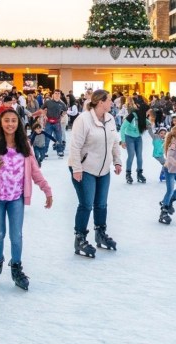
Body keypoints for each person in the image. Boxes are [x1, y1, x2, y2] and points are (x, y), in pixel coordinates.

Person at [0, 109, 53, 290]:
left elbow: (35, 171)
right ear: (1, 123)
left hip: (16, 198)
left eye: (14, 120)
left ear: (18, 123)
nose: (10, 124)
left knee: (16, 235)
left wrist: (46, 190)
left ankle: (16, 266)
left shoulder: (25, 144)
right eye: (7, 120)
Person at [68, 90, 122, 258]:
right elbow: (75, 146)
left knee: (101, 204)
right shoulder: (83, 120)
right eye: (110, 100)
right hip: (84, 169)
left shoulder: (110, 119)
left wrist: (117, 160)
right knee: (86, 204)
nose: (112, 103)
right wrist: (77, 168)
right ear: (100, 102)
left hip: (103, 169)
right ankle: (80, 238)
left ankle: (100, 233)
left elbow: (114, 142)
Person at [159, 124, 176, 225]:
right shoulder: (173, 145)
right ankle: (164, 211)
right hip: (170, 170)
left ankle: (168, 200)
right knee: (170, 190)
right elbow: (169, 157)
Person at [120, 104, 151, 184]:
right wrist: (123, 141)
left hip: (138, 138)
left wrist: (149, 123)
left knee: (139, 156)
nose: (149, 113)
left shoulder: (143, 117)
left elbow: (147, 123)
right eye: (148, 111)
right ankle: (128, 174)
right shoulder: (132, 116)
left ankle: (139, 173)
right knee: (131, 155)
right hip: (129, 137)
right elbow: (122, 127)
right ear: (144, 110)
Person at [32, 89, 67, 157]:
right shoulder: (48, 102)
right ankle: (44, 152)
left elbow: (65, 111)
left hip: (57, 123)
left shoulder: (62, 103)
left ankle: (60, 151)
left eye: (58, 93)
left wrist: (62, 116)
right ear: (53, 95)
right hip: (48, 123)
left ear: (60, 95)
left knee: (59, 137)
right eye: (56, 93)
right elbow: (41, 109)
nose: (57, 95)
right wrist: (44, 115)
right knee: (47, 138)